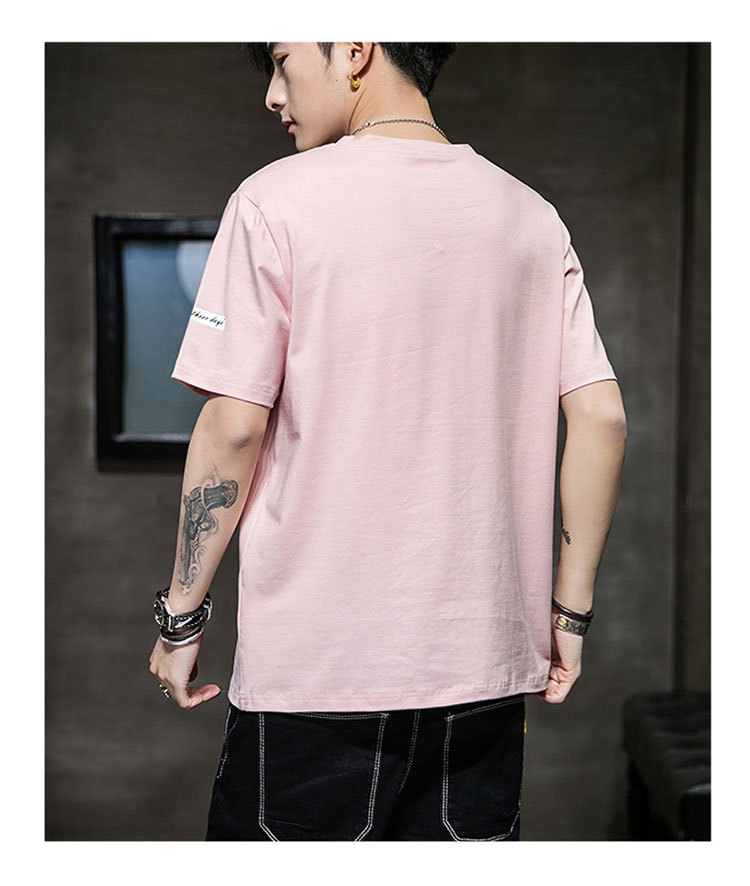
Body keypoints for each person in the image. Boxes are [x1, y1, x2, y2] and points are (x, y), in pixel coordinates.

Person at [148, 42, 627, 841]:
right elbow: (603, 417)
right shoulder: (531, 218)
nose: (273, 95)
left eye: (281, 60)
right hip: (482, 681)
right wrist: (568, 620)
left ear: (355, 46)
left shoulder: (273, 201)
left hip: (315, 681)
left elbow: (233, 426)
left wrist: (180, 621)